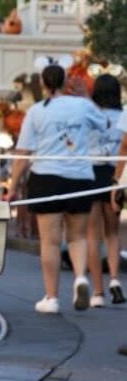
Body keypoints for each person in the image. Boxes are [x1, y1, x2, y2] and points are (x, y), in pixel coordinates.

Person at [8, 64, 106, 314]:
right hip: (79, 177)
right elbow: (104, 123)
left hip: (46, 177)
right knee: (78, 236)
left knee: (50, 242)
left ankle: (51, 297)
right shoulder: (82, 106)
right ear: (65, 83)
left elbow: (24, 152)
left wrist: (13, 184)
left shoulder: (37, 111)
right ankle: (81, 279)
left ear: (43, 83)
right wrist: (85, 98)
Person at [86, 75, 124, 307]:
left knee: (92, 236)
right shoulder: (123, 116)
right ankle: (115, 280)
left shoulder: (90, 115)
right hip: (115, 175)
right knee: (112, 233)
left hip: (90, 173)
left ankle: (98, 292)